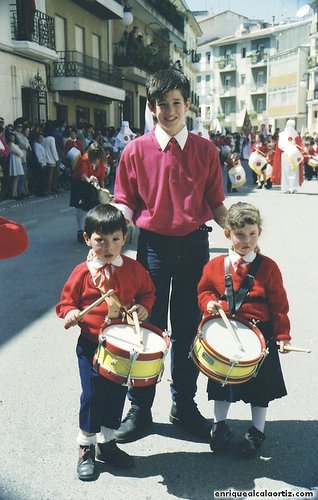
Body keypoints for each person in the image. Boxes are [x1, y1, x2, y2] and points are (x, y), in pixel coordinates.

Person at [113, 68, 227, 443]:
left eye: (177, 103)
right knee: (148, 327)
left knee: (188, 328)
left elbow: (215, 201)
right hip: (153, 248)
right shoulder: (135, 150)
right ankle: (140, 408)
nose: (170, 111)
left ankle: (184, 405)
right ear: (151, 108)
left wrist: (237, 230)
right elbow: (125, 200)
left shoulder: (206, 150)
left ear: (188, 105)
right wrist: (115, 231)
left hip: (195, 246)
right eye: (162, 105)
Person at [56, 204, 156, 481]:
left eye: (115, 239)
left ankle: (107, 442)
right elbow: (66, 302)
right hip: (91, 344)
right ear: (88, 239)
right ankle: (86, 447)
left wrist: (144, 308)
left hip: (121, 347)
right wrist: (71, 313)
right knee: (92, 396)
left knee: (115, 395)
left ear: (125, 238)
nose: (108, 246)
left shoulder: (134, 269)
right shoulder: (83, 272)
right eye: (100, 240)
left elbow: (148, 293)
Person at [197, 202, 292, 458]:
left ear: (258, 232)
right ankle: (219, 425)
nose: (247, 240)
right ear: (228, 234)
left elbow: (279, 305)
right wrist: (209, 303)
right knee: (221, 382)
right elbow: (204, 291)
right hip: (225, 333)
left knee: (260, 389)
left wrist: (282, 335)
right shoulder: (216, 265)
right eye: (240, 235)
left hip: (260, 334)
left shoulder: (268, 267)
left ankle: (257, 430)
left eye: (252, 234)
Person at [69, 142, 107, 243]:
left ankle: (92, 229)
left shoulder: (101, 163)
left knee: (95, 207)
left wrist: (102, 191)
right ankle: (80, 230)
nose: (97, 160)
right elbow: (82, 175)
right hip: (80, 184)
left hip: (92, 185)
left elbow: (102, 178)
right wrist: (89, 179)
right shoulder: (84, 159)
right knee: (80, 208)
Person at [271, 119, 304, 193]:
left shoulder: (295, 134)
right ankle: (286, 187)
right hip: (286, 155)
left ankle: (293, 187)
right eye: (290, 125)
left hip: (294, 155)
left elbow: (299, 144)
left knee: (294, 171)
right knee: (286, 171)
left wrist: (296, 149)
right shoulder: (282, 134)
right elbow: (280, 145)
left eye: (293, 125)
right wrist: (288, 149)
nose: (291, 127)